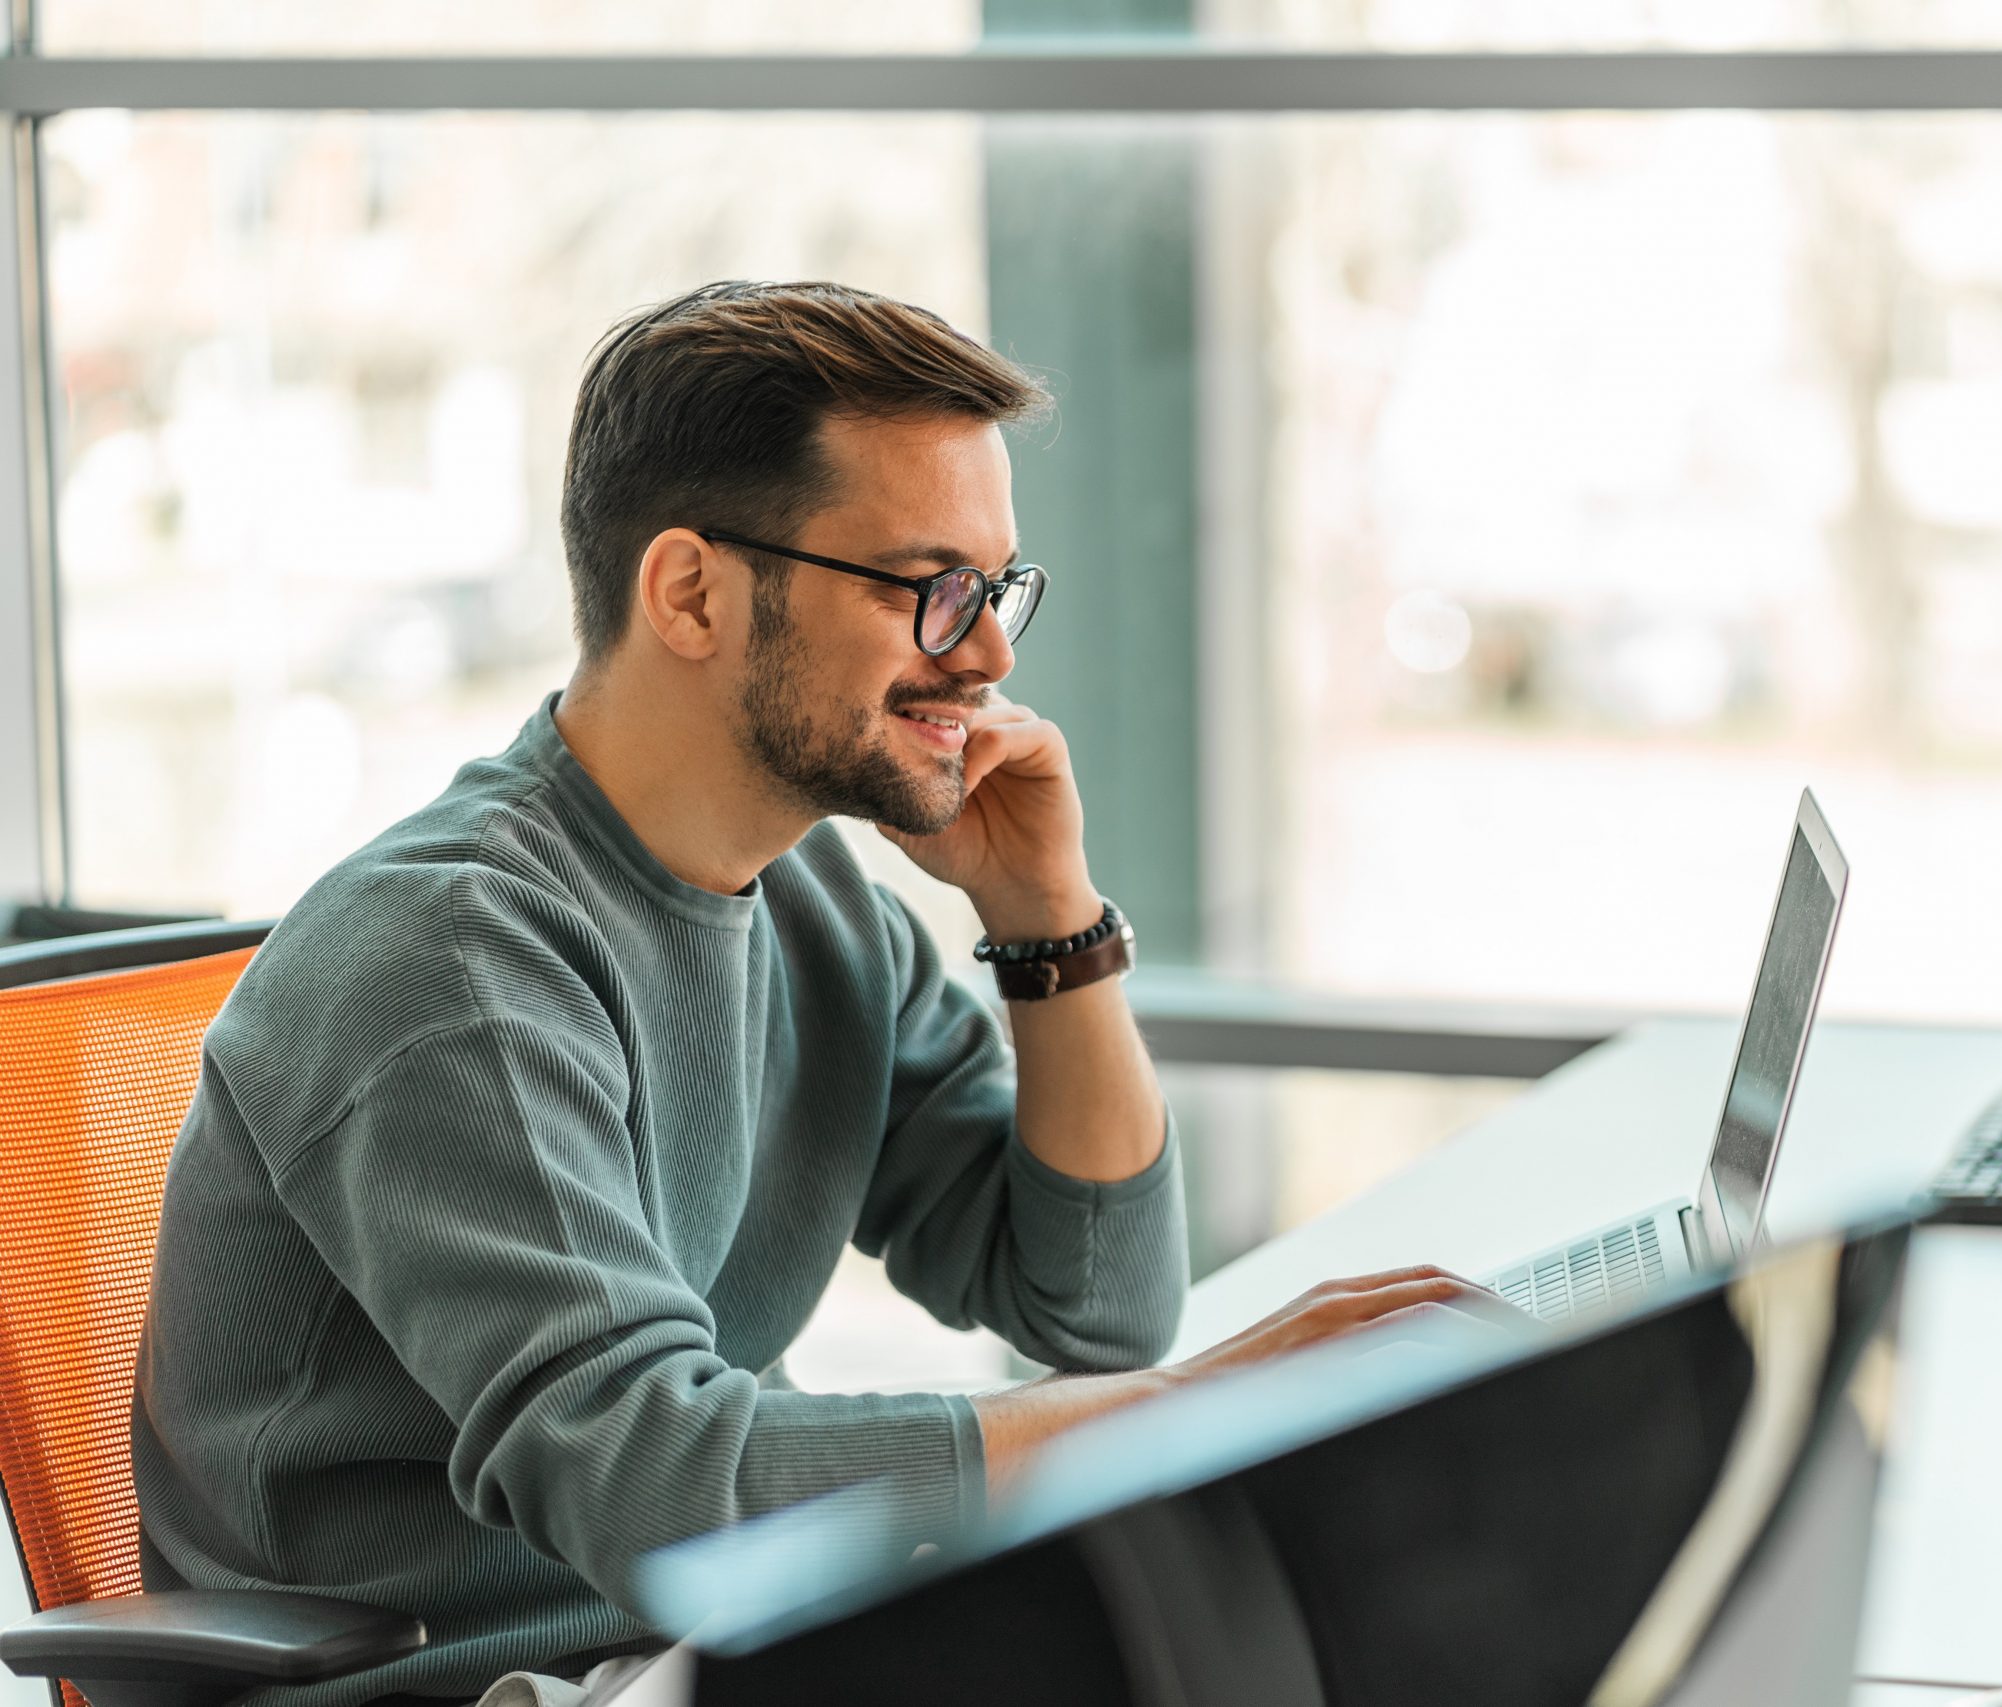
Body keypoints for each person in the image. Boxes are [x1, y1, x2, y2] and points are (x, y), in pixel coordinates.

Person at [132, 281, 1509, 1707]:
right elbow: (666, 1491)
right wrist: (1201, 1410)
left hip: (719, 1646)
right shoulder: (452, 964)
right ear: (691, 593)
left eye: (995, 587)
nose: (987, 653)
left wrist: (1051, 923)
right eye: (931, 587)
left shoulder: (809, 901)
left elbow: (1098, 1309)